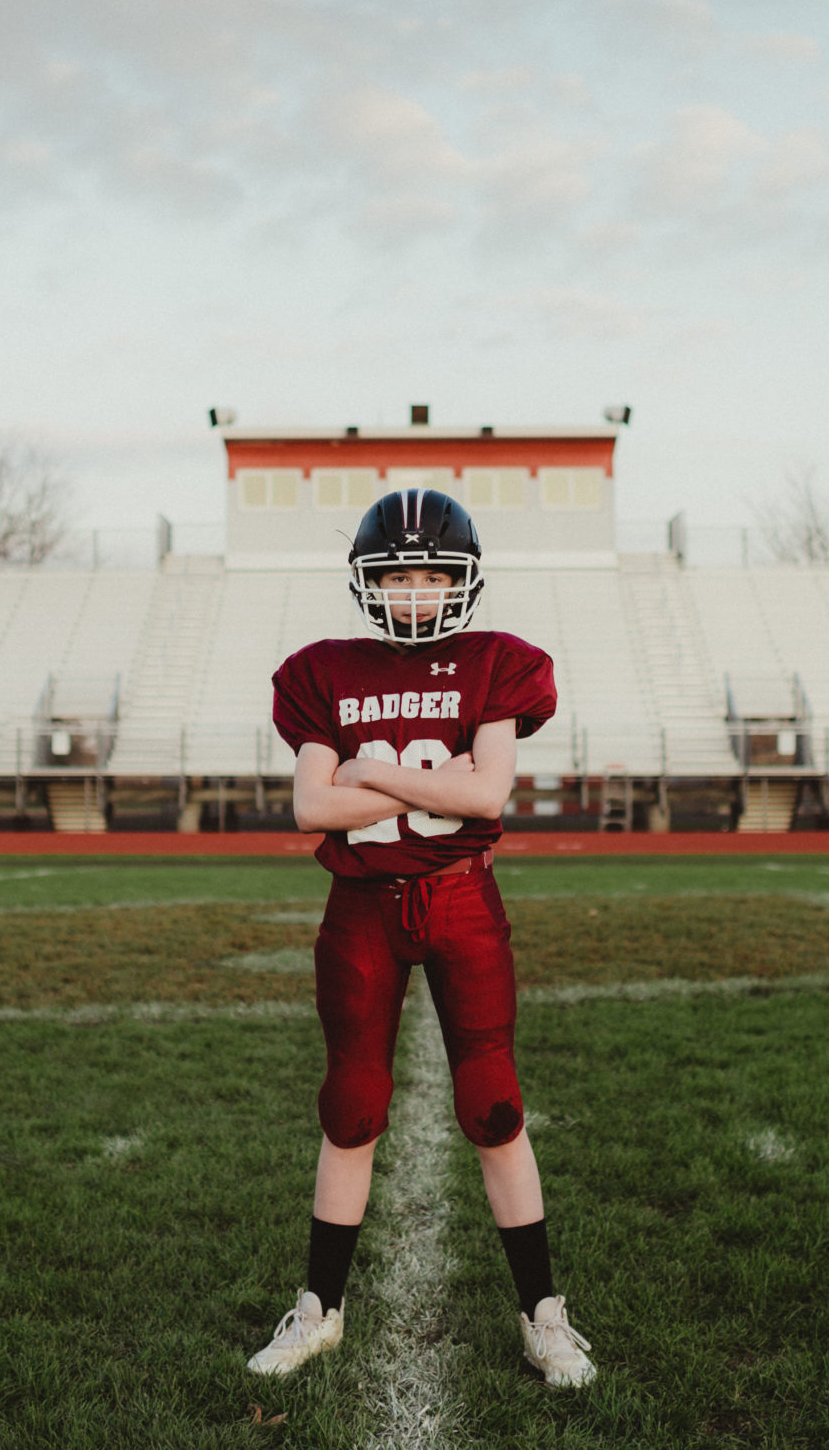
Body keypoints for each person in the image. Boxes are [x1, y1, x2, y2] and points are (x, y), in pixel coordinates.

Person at [247, 487, 596, 1388]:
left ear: (462, 580)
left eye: (433, 572)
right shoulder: (324, 668)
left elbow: (487, 796)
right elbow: (312, 806)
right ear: (369, 580)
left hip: (460, 899)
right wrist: (413, 780)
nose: (414, 590)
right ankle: (319, 1307)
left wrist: (370, 766)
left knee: (494, 1103)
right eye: (398, 573)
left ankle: (543, 1314)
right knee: (352, 1106)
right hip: (360, 910)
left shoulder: (496, 662)